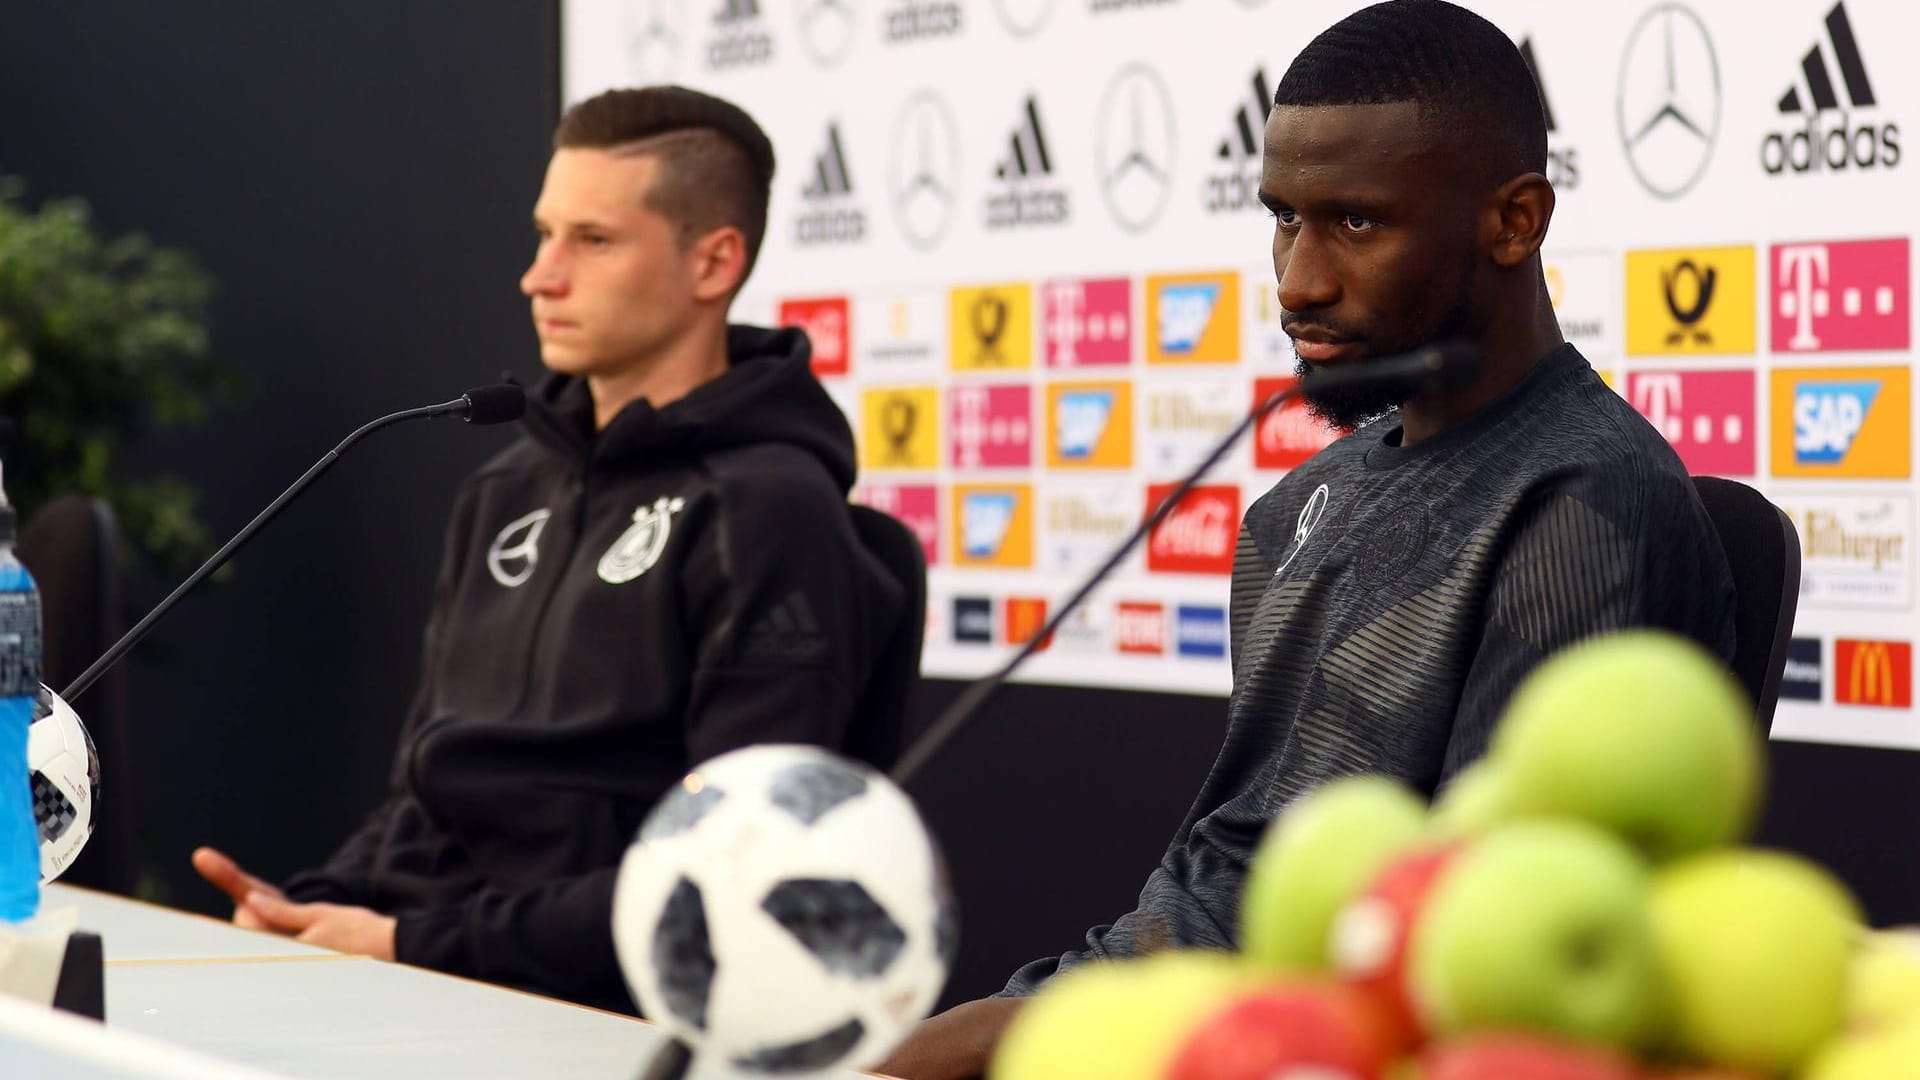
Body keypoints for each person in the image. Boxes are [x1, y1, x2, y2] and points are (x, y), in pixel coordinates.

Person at [879, 2, 1736, 1075]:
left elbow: (1467, 945)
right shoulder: (1299, 505)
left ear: (1514, 222)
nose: (1298, 281)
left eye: (1358, 224)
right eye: (1284, 218)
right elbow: (1230, 882)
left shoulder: (1584, 502)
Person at [191, 86, 905, 1014]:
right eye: (543, 235)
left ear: (713, 262)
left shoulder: (770, 510)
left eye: (593, 241)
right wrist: (317, 907)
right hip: (429, 977)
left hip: (598, 1013)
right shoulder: (504, 487)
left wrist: (412, 943)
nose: (540, 276)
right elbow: (427, 789)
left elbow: (733, 869)